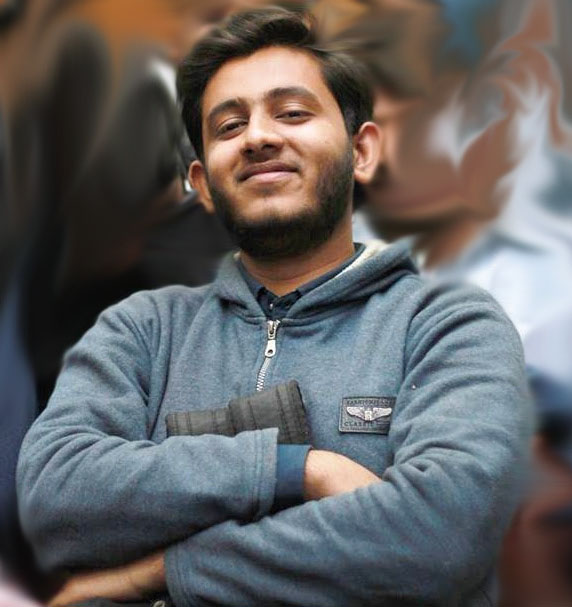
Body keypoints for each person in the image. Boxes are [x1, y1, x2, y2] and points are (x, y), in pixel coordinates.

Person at [17, 8, 532, 607]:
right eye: (229, 126)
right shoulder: (142, 330)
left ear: (361, 151)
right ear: (203, 184)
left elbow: (436, 537)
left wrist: (159, 571)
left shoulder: (448, 324)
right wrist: (297, 470)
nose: (258, 137)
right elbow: (56, 497)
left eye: (292, 113)